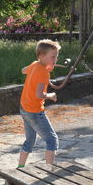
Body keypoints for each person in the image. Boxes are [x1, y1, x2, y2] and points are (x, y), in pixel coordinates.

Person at [17, 39, 63, 168]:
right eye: (52, 57)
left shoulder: (35, 65)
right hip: (35, 111)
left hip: (24, 109)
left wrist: (39, 67)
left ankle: (20, 167)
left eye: (56, 57)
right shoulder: (43, 73)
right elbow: (39, 95)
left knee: (30, 140)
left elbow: (23, 70)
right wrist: (51, 95)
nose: (55, 60)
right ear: (41, 56)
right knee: (52, 140)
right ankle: (49, 170)